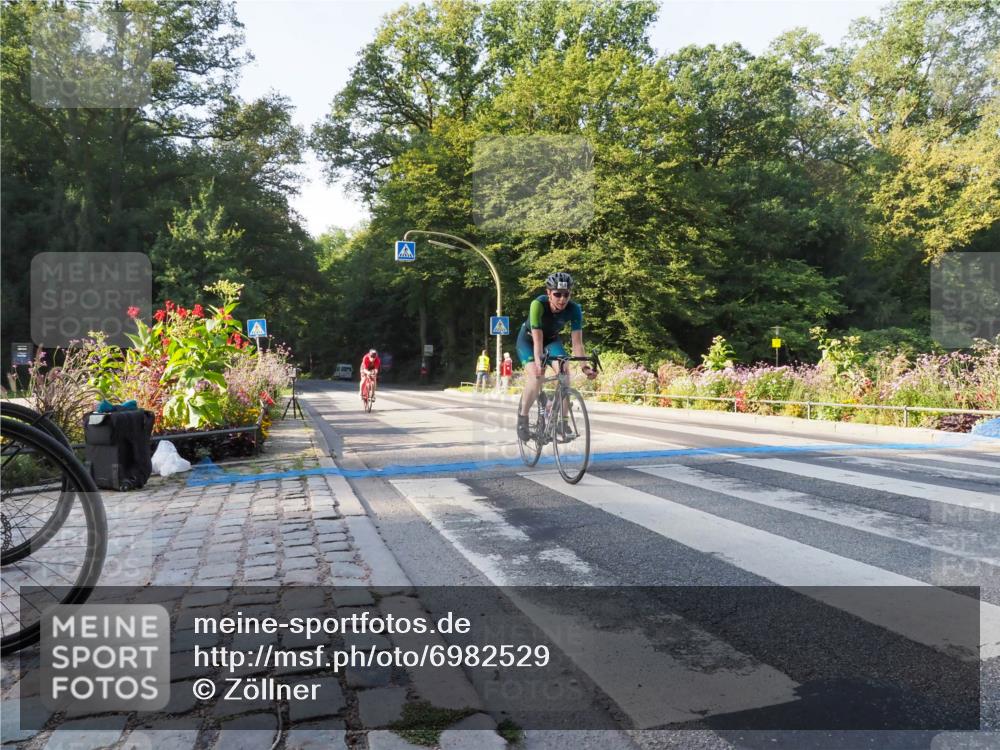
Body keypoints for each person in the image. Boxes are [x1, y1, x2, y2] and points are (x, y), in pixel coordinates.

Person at [515, 272, 596, 440]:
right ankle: (523, 418)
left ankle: (562, 423)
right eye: (557, 294)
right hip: (529, 341)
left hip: (551, 341)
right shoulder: (537, 305)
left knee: (564, 370)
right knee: (537, 376)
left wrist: (585, 367)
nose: (562, 299)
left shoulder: (574, 309)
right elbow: (538, 341)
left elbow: (577, 344)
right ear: (548, 293)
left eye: (566, 294)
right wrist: (539, 364)